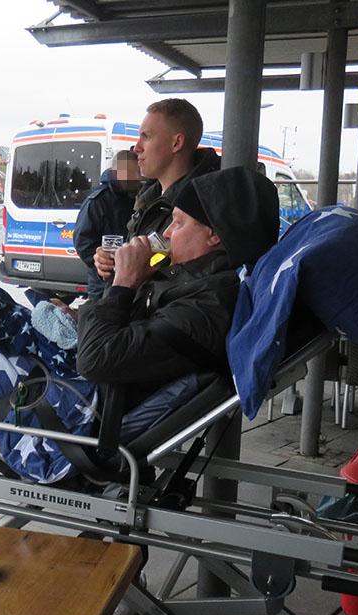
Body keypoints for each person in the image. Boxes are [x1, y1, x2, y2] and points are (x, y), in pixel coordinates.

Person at [76, 167, 279, 404]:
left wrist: (124, 283)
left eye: (178, 223)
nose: (167, 233)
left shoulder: (205, 308)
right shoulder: (188, 282)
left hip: (96, 408)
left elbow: (95, 359)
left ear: (213, 235)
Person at [94, 98, 221, 286]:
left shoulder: (200, 207)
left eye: (146, 136)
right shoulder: (148, 198)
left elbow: (173, 283)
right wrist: (112, 262)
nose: (136, 148)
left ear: (176, 143)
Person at [74, 149, 141, 300]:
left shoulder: (135, 197)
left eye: (139, 171)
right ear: (118, 172)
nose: (138, 177)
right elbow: (82, 241)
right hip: (103, 285)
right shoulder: (98, 201)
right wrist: (103, 261)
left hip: (129, 282)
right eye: (133, 172)